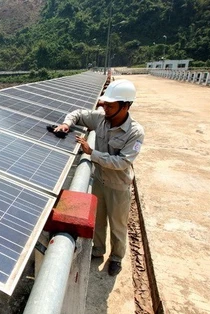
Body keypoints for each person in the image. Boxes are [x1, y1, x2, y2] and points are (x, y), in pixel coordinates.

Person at [53, 79, 145, 276]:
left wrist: (91, 152)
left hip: (118, 186)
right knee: (99, 220)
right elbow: (78, 113)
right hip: (99, 180)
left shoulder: (135, 133)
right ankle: (98, 249)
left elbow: (122, 162)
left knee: (118, 225)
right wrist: (66, 124)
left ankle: (117, 258)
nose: (106, 108)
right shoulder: (101, 119)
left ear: (126, 106)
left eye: (111, 105)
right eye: (105, 104)